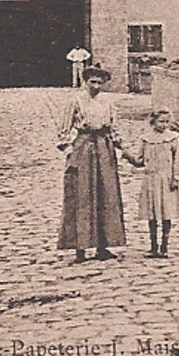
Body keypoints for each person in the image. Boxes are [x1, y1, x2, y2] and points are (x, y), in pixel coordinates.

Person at [57, 63, 126, 262]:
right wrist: (69, 150)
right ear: (85, 81)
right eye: (92, 82)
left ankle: (103, 247)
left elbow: (114, 128)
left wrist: (120, 147)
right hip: (83, 146)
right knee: (82, 196)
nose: (96, 86)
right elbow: (64, 128)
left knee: (106, 195)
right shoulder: (76, 101)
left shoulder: (108, 102)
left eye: (100, 82)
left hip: (104, 148)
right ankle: (80, 247)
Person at [124, 108, 179, 258]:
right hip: (151, 180)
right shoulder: (146, 139)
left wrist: (175, 178)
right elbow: (139, 161)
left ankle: (165, 246)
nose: (164, 125)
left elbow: (178, 161)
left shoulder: (173, 138)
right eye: (161, 121)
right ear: (153, 122)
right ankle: (153, 246)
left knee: (166, 213)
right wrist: (127, 155)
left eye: (166, 122)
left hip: (166, 179)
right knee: (152, 214)